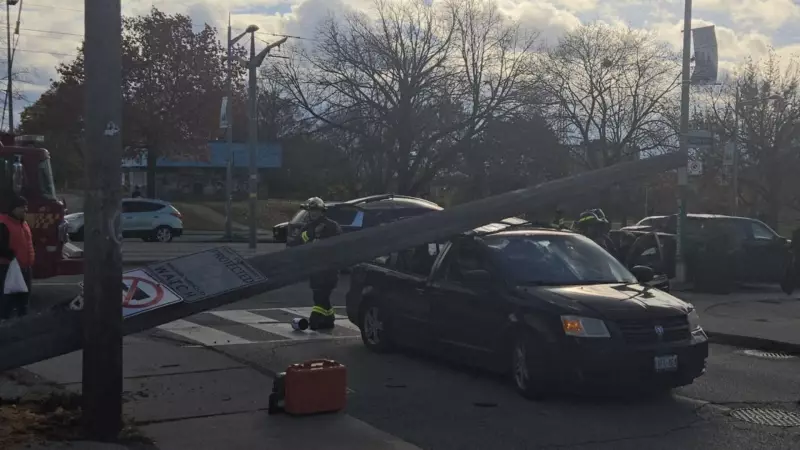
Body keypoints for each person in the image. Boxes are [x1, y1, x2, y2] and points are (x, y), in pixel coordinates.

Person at [298, 197, 343, 330]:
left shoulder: (331, 226)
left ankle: (315, 320)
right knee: (321, 297)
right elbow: (298, 243)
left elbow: (339, 245)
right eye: (311, 210)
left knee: (320, 297)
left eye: (316, 210)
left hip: (329, 269)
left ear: (322, 211)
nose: (313, 213)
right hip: (314, 269)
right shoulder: (307, 227)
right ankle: (329, 320)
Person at [0, 195, 34, 320]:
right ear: (13, 208)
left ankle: (23, 325)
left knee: (24, 300)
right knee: (6, 300)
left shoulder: (23, 223)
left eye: (26, 207)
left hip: (25, 268)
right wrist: (10, 255)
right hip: (7, 269)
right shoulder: (3, 224)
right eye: (22, 207)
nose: (25, 210)